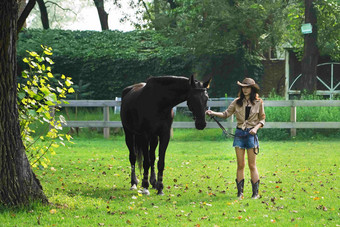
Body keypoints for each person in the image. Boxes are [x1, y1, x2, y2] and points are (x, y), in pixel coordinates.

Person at [205, 78, 265, 199]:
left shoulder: (259, 102)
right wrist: (213, 113)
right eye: (243, 87)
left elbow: (262, 119)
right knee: (240, 165)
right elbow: (226, 114)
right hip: (239, 134)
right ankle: (240, 193)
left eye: (247, 87)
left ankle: (255, 193)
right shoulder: (237, 102)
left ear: (252, 89)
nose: (245, 89)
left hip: (251, 135)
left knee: (252, 165)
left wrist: (256, 128)